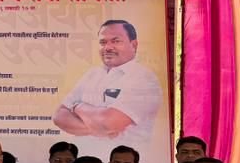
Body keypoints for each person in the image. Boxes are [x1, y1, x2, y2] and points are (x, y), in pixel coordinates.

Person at [52, 19, 163, 152]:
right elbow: (59, 116)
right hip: (83, 160)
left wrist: (77, 107)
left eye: (116, 41)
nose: (108, 47)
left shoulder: (143, 79)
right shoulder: (93, 74)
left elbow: (108, 123)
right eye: (103, 42)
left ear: (134, 45)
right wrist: (97, 129)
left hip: (121, 162)